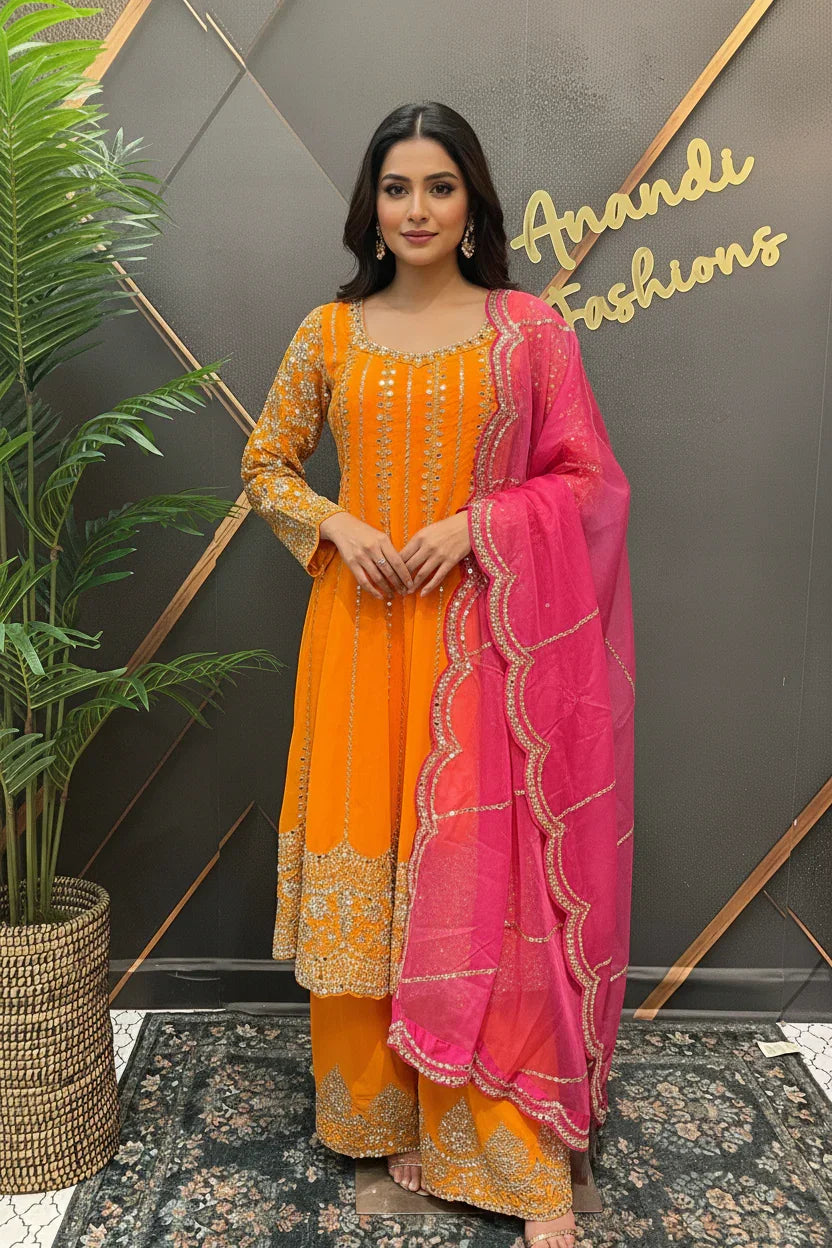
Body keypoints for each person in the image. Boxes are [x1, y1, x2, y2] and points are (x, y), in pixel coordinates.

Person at [241, 101, 635, 1248]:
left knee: (477, 877)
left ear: (472, 205)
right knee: (376, 868)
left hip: (488, 649)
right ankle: (380, 1115)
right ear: (369, 204)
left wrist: (478, 530)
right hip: (359, 636)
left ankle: (495, 1144)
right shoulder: (328, 332)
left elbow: (588, 482)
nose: (415, 209)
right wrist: (332, 524)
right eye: (396, 187)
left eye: (438, 187)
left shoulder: (528, 332)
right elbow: (265, 462)